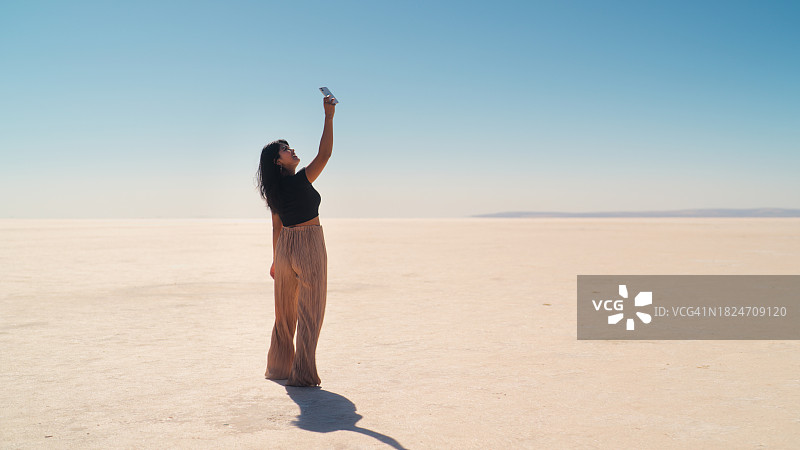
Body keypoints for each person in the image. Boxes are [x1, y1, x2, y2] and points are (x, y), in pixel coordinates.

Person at [256, 94, 335, 386]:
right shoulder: (300, 181)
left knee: (284, 314)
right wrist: (329, 117)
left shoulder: (273, 191)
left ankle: (278, 367)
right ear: (278, 161)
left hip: (286, 247)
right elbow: (324, 156)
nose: (292, 150)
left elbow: (277, 226)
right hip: (309, 244)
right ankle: (301, 374)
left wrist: (277, 260)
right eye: (286, 150)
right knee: (310, 311)